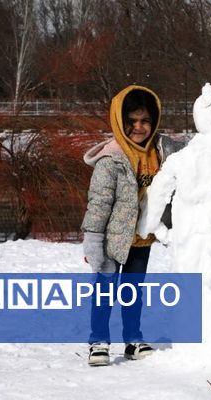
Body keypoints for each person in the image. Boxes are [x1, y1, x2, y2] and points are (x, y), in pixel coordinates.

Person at [81, 85, 183, 366]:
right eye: (132, 122)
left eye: (145, 121)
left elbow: (196, 153)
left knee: (133, 292)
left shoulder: (161, 151)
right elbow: (99, 202)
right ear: (120, 121)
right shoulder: (111, 159)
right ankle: (98, 340)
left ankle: (132, 339)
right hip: (112, 240)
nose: (139, 127)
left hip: (142, 239)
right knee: (104, 292)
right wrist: (92, 240)